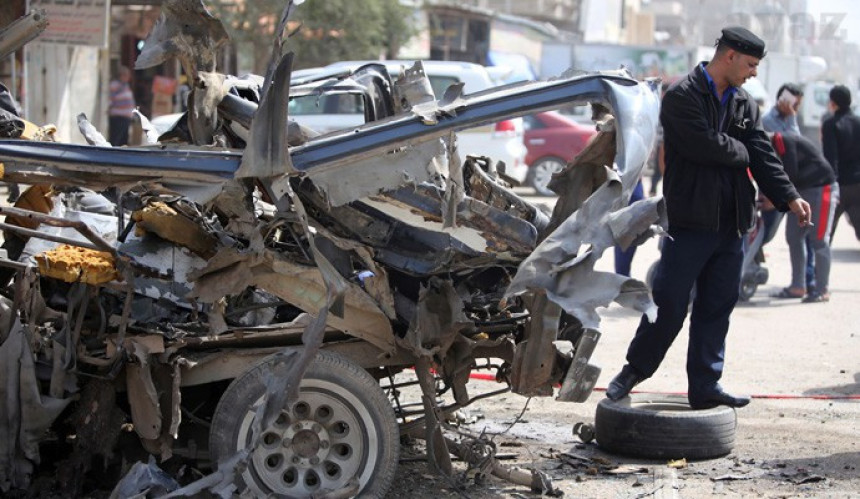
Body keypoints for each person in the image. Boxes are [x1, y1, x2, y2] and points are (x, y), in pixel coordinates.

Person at [605, 27, 811, 409]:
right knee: (667, 307)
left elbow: (761, 153)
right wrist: (742, 150)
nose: (753, 73)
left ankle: (705, 386)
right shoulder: (682, 96)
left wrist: (790, 196)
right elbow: (702, 145)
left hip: (731, 225)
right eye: (750, 64)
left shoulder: (744, 104)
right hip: (689, 224)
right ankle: (632, 373)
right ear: (729, 56)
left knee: (716, 309)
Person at [761, 82, 817, 295]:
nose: (797, 108)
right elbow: (789, 144)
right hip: (776, 185)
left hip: (795, 187)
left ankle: (806, 281)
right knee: (764, 233)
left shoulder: (791, 119)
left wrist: (792, 117)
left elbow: (797, 145)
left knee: (805, 236)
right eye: (795, 104)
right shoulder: (767, 121)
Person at [768, 132, 836, 302]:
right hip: (800, 192)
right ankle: (798, 286)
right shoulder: (776, 144)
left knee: (819, 240)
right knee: (793, 236)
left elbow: (791, 174)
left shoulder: (784, 140)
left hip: (821, 189)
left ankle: (822, 289)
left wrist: (774, 198)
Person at [822, 85, 860, 242]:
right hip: (858, 184)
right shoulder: (858, 122)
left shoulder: (831, 124)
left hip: (839, 185)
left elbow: (831, 158)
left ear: (833, 102)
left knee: (825, 234)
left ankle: (818, 267)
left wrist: (830, 184)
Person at [108, 66, 135, 146]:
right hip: (118, 117)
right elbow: (110, 100)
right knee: (116, 139)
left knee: (124, 140)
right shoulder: (115, 85)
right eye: (127, 75)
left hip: (125, 117)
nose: (129, 77)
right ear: (121, 75)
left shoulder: (125, 85)